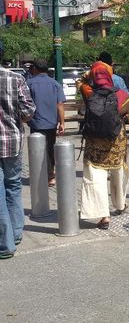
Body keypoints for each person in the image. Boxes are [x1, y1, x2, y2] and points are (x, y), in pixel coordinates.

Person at [79, 61, 129, 230]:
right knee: (118, 174)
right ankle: (120, 204)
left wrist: (88, 76)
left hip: (94, 146)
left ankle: (104, 216)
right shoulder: (122, 97)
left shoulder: (89, 93)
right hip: (116, 144)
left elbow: (80, 82)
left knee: (95, 180)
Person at [0, 40, 36, 260]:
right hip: (12, 140)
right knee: (13, 186)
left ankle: (6, 244)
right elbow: (28, 110)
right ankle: (16, 233)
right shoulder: (15, 78)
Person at [27, 59, 65, 186]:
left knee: (37, 150)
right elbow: (60, 105)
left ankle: (41, 175)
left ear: (36, 69)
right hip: (51, 123)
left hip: (36, 122)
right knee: (50, 148)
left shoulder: (29, 83)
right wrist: (62, 123)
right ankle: (50, 175)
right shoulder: (55, 84)